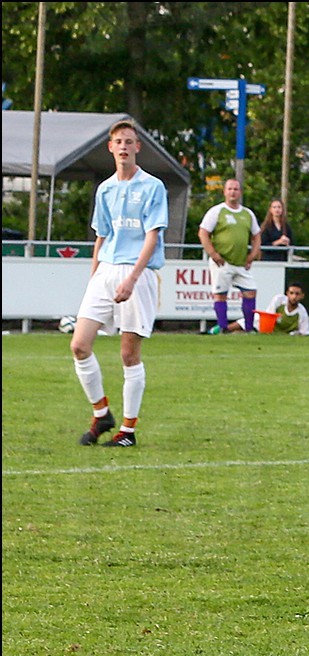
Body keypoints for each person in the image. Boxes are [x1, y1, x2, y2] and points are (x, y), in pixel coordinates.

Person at [69, 119, 168, 449]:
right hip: (106, 270)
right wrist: (95, 274)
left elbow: (151, 238)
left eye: (129, 141)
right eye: (119, 142)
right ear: (111, 148)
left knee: (129, 354)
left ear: (137, 148)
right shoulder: (106, 189)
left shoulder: (153, 187)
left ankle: (128, 430)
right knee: (79, 345)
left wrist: (132, 278)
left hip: (135, 274)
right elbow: (102, 236)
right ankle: (101, 414)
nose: (124, 146)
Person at [198, 178, 262, 334]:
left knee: (251, 292)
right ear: (224, 191)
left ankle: (248, 328)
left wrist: (252, 255)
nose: (233, 192)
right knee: (220, 295)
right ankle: (222, 328)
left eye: (236, 189)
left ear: (240, 192)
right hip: (222, 262)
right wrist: (213, 253)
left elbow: (256, 235)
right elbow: (203, 233)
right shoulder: (217, 211)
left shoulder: (247, 214)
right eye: (230, 189)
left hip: (241, 263)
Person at [260, 197, 294, 262]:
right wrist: (278, 242)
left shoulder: (286, 226)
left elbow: (292, 244)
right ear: (270, 209)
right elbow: (263, 246)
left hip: (282, 260)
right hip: (269, 260)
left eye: (279, 207)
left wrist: (287, 242)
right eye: (274, 207)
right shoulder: (266, 226)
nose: (277, 209)